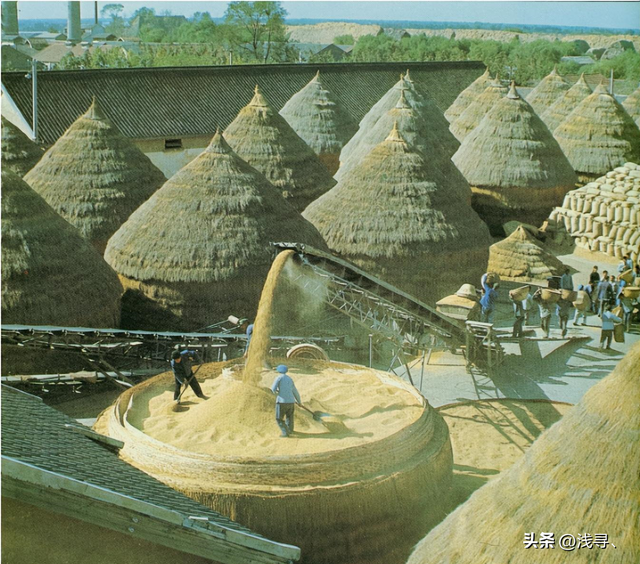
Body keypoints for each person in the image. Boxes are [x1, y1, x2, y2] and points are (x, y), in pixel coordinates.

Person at [271, 365, 301, 438]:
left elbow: (273, 390)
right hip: (291, 402)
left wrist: (277, 392)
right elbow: (295, 391)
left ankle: (285, 432)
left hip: (281, 402)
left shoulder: (278, 378)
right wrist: (299, 401)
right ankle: (290, 430)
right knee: (289, 417)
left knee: (279, 418)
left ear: (278, 371)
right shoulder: (290, 379)